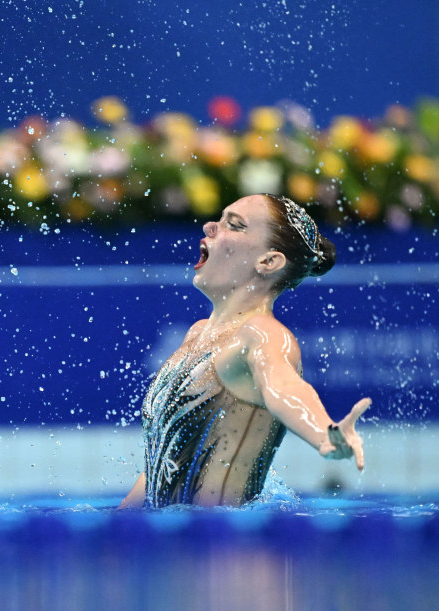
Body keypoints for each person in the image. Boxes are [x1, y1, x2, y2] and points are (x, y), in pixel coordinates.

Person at [119, 194, 371, 509]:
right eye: (219, 219)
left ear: (268, 262)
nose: (210, 227)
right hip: (173, 541)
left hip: (226, 548)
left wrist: (324, 432)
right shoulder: (197, 334)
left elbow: (283, 385)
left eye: (234, 226)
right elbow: (164, 463)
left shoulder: (262, 334)